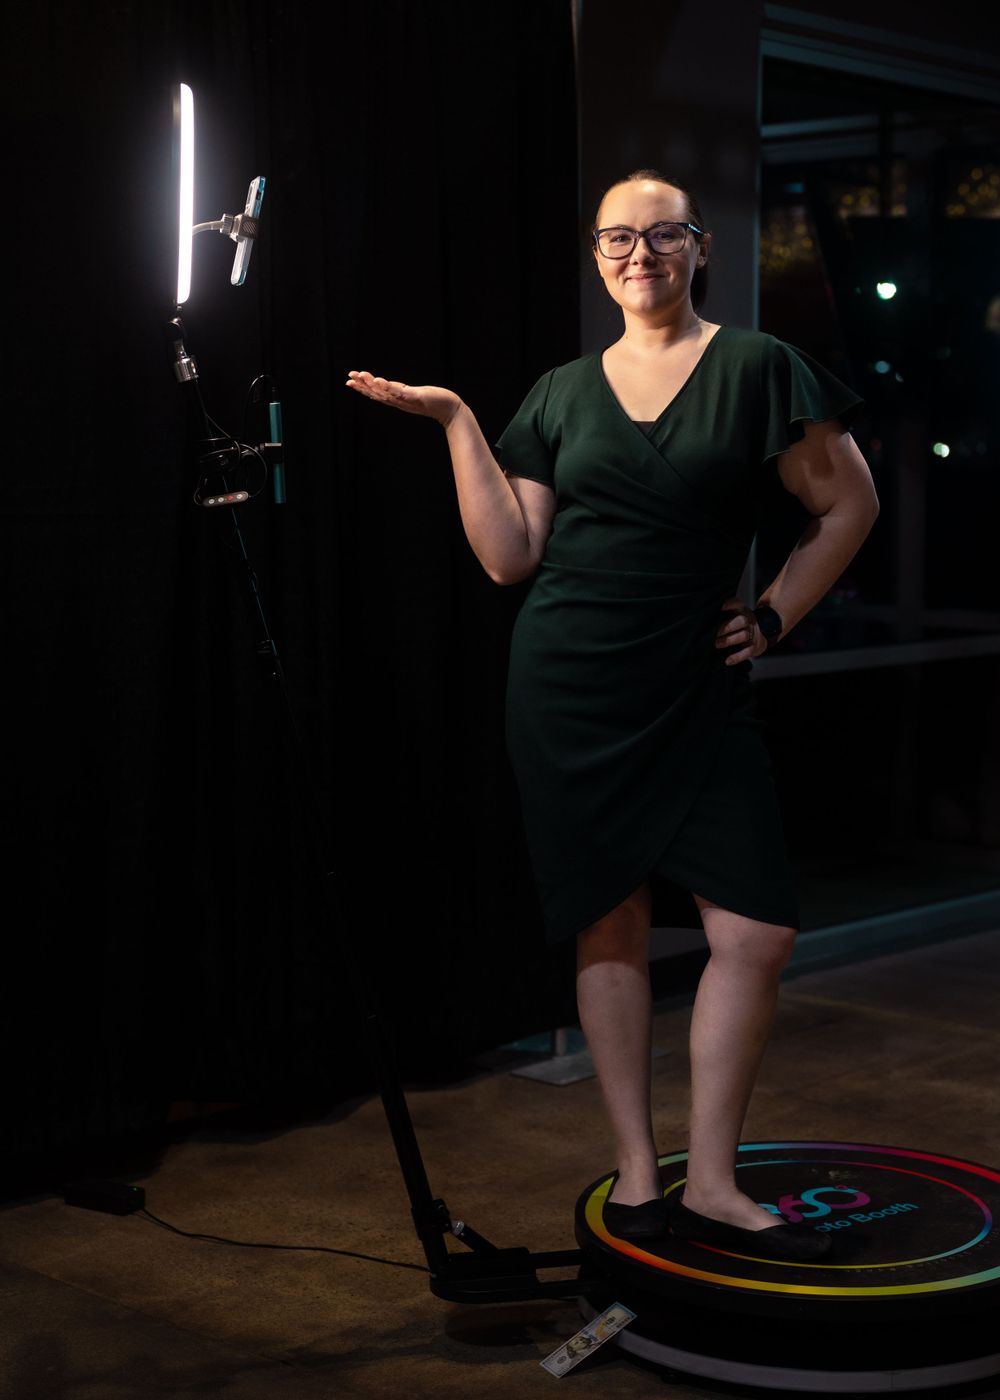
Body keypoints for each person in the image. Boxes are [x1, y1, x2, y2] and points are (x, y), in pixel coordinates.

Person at [346, 168, 879, 1262]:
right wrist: (455, 420)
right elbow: (507, 556)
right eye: (616, 240)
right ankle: (642, 1174)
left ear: (699, 247)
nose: (638, 254)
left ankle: (715, 1177)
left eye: (660, 235)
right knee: (610, 918)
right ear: (597, 258)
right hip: (569, 688)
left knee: (757, 929)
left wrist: (773, 616)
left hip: (692, 684)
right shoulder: (556, 392)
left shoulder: (757, 367)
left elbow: (849, 504)